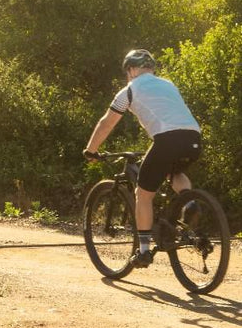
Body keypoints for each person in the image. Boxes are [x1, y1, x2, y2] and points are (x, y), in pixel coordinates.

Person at [83, 49, 201, 268]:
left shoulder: (129, 91)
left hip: (167, 139)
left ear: (131, 69)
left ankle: (144, 251)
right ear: (150, 68)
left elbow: (107, 123)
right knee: (175, 172)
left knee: (143, 194)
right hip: (194, 137)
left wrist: (91, 150)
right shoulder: (168, 84)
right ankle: (190, 202)